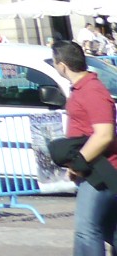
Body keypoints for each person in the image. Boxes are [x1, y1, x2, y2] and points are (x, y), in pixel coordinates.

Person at [51, 40, 114, 256]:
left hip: (103, 169)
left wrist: (77, 163)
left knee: (86, 230)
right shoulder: (82, 88)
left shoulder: (92, 90)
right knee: (109, 230)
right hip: (93, 168)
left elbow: (104, 134)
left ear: (62, 65)